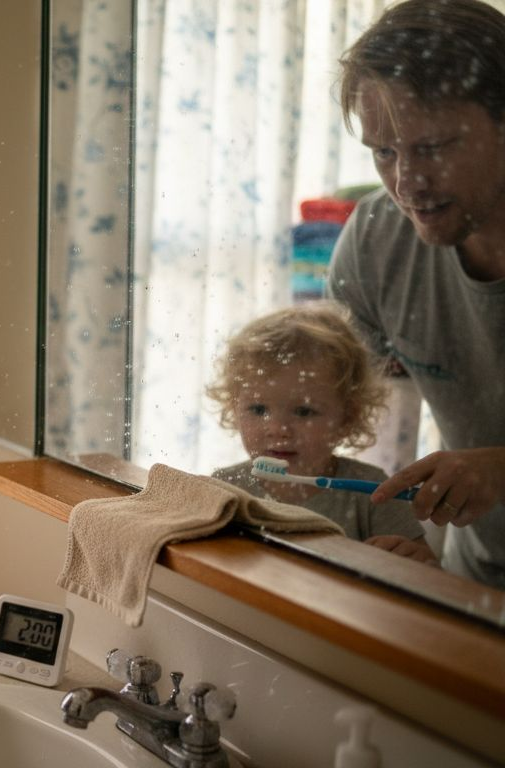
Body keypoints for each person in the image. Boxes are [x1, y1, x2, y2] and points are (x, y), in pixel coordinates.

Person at [329, 0, 505, 587]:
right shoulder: (379, 238)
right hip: (476, 581)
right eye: (384, 151)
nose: (407, 183)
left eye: (431, 148)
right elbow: (328, 398)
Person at [207, 305, 438, 564]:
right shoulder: (225, 489)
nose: (278, 430)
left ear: (347, 418)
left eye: (304, 412)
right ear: (233, 408)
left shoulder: (372, 493)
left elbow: (429, 574)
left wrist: (414, 561)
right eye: (258, 409)